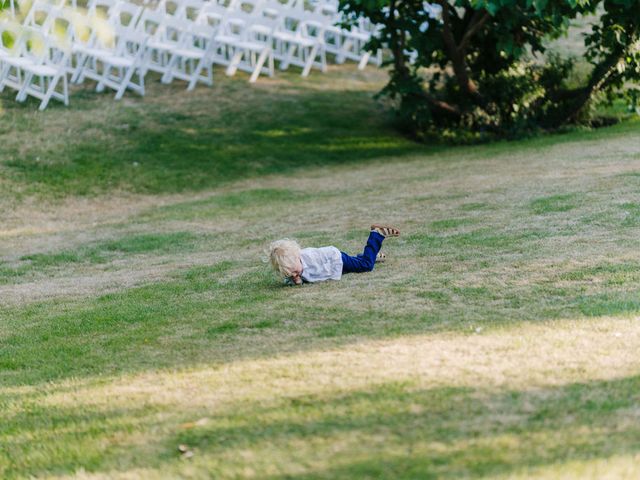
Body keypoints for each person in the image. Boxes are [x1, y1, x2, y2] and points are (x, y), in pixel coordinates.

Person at [268, 225, 400, 285]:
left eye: (295, 272)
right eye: (290, 274)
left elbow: (330, 253)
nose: (294, 275)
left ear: (297, 256)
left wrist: (338, 266)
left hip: (337, 259)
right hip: (335, 267)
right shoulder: (292, 268)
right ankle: (369, 255)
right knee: (359, 264)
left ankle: (377, 235)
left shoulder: (310, 256)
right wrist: (295, 279)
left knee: (365, 266)